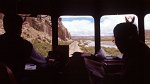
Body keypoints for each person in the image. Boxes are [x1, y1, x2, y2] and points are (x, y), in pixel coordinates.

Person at [0, 14, 33, 81]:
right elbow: (40, 60)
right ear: (20, 27)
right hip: (18, 79)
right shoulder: (26, 45)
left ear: (4, 26)